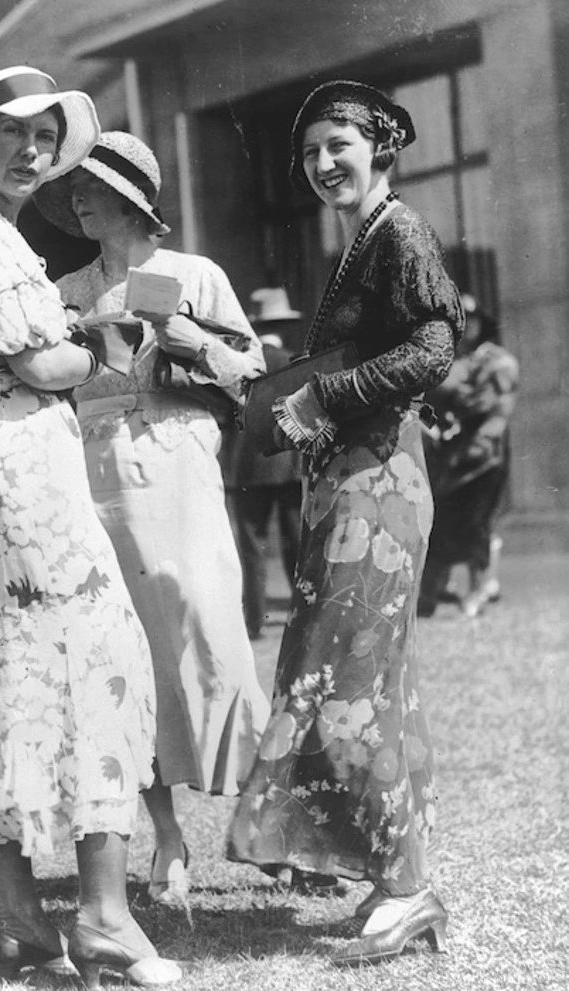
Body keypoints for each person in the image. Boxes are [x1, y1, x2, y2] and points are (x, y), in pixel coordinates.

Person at [0, 67, 180, 989]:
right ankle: (99, 917)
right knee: (87, 654)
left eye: (46, 133)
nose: (31, 147)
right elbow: (44, 361)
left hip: (4, 463)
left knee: (10, 669)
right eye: (11, 131)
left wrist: (70, 347)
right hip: (17, 474)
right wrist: (102, 339)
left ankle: (25, 922)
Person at [227, 80, 464, 967]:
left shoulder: (397, 230)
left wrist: (325, 395)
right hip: (354, 482)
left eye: (339, 146)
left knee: (349, 681)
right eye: (310, 152)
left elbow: (436, 342)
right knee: (363, 679)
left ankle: (406, 890)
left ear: (381, 145)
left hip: (379, 486)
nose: (324, 164)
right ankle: (394, 875)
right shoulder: (362, 236)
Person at [34, 131, 270, 909]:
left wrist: (190, 339)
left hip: (178, 464)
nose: (78, 200)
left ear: (133, 199)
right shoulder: (62, 290)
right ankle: (166, 835)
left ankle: (265, 814)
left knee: (211, 630)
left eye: (92, 186)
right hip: (91, 475)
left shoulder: (195, 275)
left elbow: (251, 382)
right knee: (123, 653)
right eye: (74, 191)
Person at [419, 294, 519, 617]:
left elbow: (486, 405)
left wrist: (452, 398)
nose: (466, 329)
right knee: (443, 526)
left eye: (471, 322)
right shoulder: (457, 361)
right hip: (453, 459)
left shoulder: (498, 360)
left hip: (483, 458)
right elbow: (436, 394)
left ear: (483, 324)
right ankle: (429, 596)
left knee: (477, 527)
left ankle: (479, 591)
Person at [222, 290, 303, 640]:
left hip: (246, 465)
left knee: (251, 546)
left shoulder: (236, 364)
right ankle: (302, 615)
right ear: (283, 327)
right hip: (288, 463)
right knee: (296, 540)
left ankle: (254, 619)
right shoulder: (293, 361)